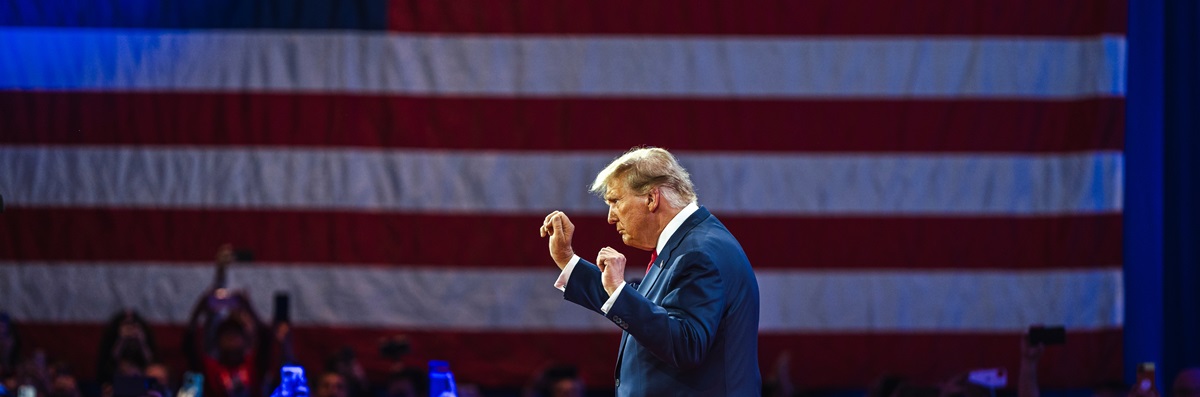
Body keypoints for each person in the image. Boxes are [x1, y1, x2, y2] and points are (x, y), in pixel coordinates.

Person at [539, 147, 761, 396]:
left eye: (615, 201)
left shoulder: (698, 253)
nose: (611, 217)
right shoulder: (692, 241)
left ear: (651, 199)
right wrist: (567, 260)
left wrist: (619, 291)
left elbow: (686, 344)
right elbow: (653, 306)